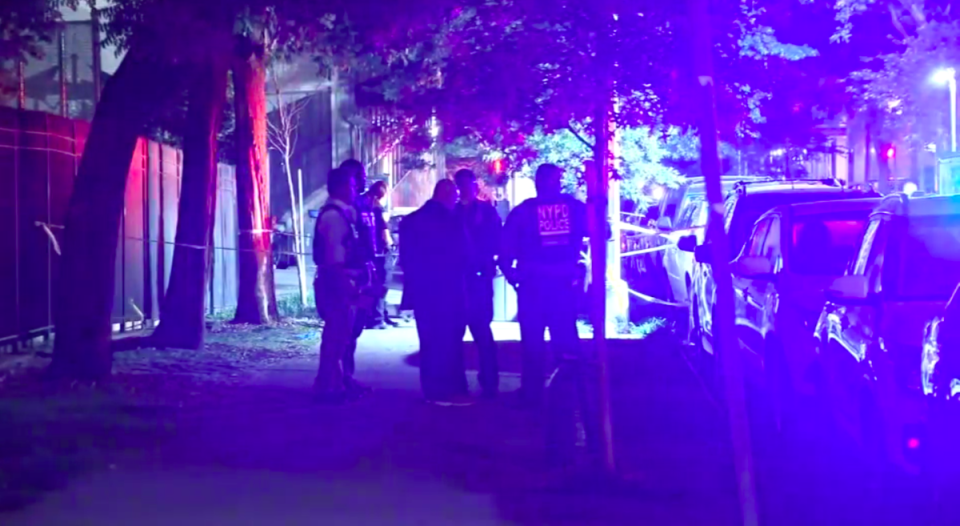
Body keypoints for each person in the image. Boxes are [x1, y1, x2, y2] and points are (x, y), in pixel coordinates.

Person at [499, 163, 588, 408]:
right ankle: (569, 392)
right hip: (563, 285)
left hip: (532, 286)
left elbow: (504, 250)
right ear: (556, 182)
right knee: (566, 338)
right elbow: (603, 230)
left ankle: (532, 394)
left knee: (532, 342)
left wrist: (514, 277)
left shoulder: (524, 212)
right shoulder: (573, 209)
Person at [400, 179, 472, 406]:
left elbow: (406, 259)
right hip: (449, 289)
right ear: (448, 195)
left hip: (423, 290)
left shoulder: (412, 221)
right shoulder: (452, 220)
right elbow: (465, 254)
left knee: (429, 338)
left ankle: (431, 389)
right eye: (455, 195)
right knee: (451, 339)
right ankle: (451, 388)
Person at [311, 168, 364, 404]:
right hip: (336, 281)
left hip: (340, 279)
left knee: (341, 335)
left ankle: (335, 381)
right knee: (336, 335)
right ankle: (328, 384)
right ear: (342, 188)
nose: (355, 191)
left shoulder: (344, 214)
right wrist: (347, 284)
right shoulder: (334, 217)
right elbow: (334, 257)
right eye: (352, 186)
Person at [454, 169, 502, 398]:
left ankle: (489, 380)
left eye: (467, 185)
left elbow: (496, 240)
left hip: (477, 275)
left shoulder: (486, 212)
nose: (465, 190)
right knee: (464, 331)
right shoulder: (454, 212)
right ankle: (466, 380)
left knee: (481, 329)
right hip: (462, 276)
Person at [338, 159, 379, 395]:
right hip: (349, 277)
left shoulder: (365, 204)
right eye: (359, 176)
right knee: (345, 328)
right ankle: (341, 377)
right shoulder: (342, 209)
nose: (364, 179)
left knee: (356, 329)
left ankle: (348, 376)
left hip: (365, 273)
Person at [364, 180, 398, 329]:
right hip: (381, 252)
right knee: (382, 284)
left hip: (370, 251)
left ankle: (381, 315)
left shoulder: (364, 206)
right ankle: (378, 318)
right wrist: (391, 245)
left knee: (375, 283)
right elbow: (384, 231)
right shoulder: (377, 209)